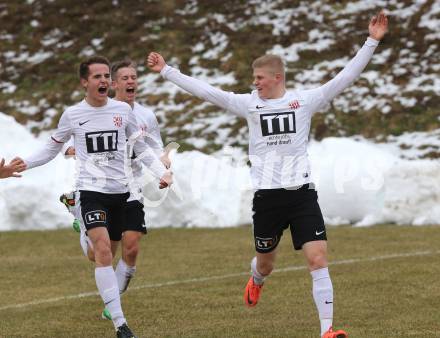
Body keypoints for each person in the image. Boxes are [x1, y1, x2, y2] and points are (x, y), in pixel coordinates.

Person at [147, 11, 388, 338]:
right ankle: (257, 280)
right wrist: (167, 72)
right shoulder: (249, 104)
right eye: (254, 78)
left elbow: (345, 77)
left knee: (317, 259)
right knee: (266, 262)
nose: (255, 83)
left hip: (302, 195)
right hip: (268, 199)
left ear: (277, 77)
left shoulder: (303, 101)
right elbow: (208, 92)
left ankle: (327, 331)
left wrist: (372, 41)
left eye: (260, 77)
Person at [14, 55, 172, 338]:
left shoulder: (123, 111)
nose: (103, 81)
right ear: (84, 82)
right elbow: (51, 148)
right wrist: (24, 163)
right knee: (102, 252)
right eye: (97, 77)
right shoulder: (73, 115)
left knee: (106, 252)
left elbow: (142, 147)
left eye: (105, 77)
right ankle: (120, 325)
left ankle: (79, 224)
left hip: (123, 192)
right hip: (92, 191)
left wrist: (163, 172)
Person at [59, 59, 170, 321]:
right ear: (114, 84)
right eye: (125, 78)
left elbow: (153, 147)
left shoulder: (144, 116)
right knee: (99, 251)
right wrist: (70, 149)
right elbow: (65, 140)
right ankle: (79, 214)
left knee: (130, 248)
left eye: (134, 77)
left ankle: (113, 303)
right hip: (98, 186)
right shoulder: (98, 111)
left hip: (131, 187)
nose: (131, 82)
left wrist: (163, 164)